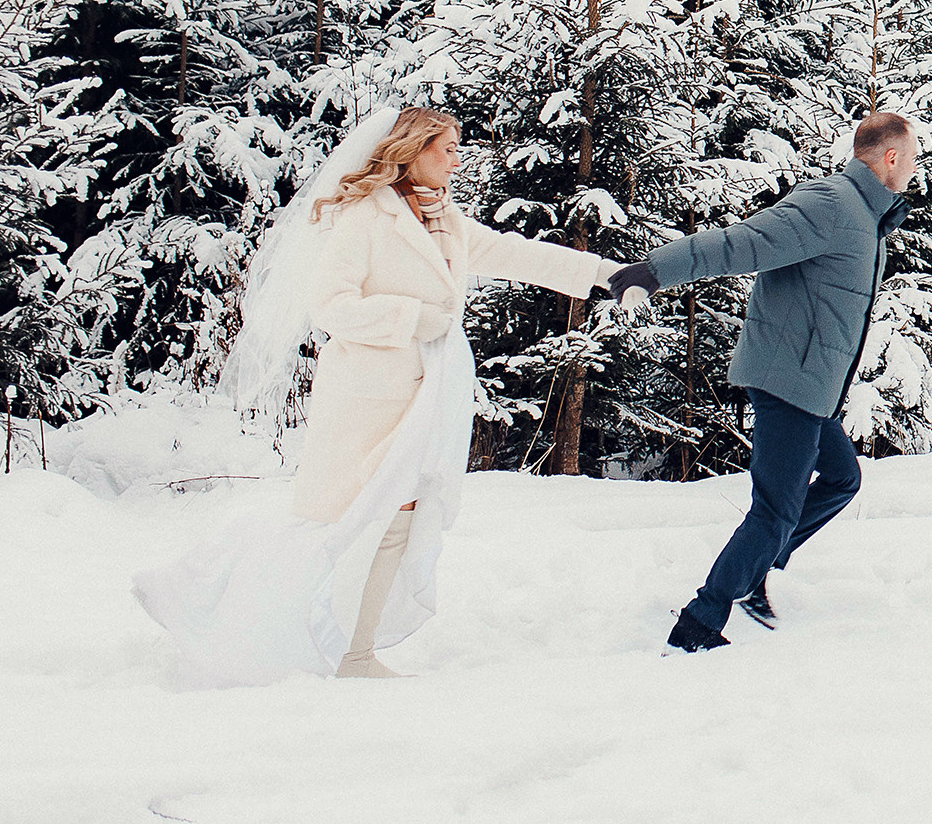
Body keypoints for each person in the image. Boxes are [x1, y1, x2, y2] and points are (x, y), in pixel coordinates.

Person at [133, 105, 620, 684]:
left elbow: (518, 254)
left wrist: (608, 275)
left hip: (422, 401)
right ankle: (207, 593)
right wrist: (413, 318)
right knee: (338, 523)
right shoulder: (364, 217)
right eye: (446, 147)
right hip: (366, 401)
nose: (457, 156)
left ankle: (354, 653)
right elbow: (331, 306)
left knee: (398, 517)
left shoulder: (446, 220)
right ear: (411, 151)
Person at [608, 110, 917, 652]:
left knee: (842, 479)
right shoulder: (831, 204)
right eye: (911, 158)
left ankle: (756, 572)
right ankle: (699, 625)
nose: (914, 170)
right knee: (774, 511)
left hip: (813, 389)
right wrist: (655, 271)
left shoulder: (866, 219)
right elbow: (740, 243)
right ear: (890, 157)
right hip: (787, 382)